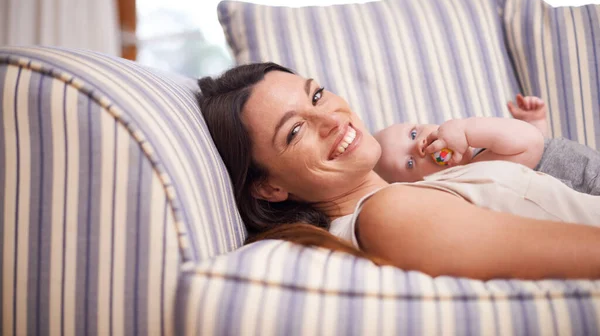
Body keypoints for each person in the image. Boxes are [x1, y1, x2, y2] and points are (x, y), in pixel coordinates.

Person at [197, 62, 600, 280]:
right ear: (269, 188)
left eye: (317, 95)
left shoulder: (413, 186)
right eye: (296, 130)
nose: (331, 119)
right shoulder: (389, 213)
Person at [374, 95, 600, 195]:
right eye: (410, 162)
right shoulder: (475, 175)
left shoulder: (481, 152)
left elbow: (532, 158)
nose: (419, 146)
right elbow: (530, 144)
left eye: (413, 133)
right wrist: (464, 130)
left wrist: (532, 122)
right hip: (589, 184)